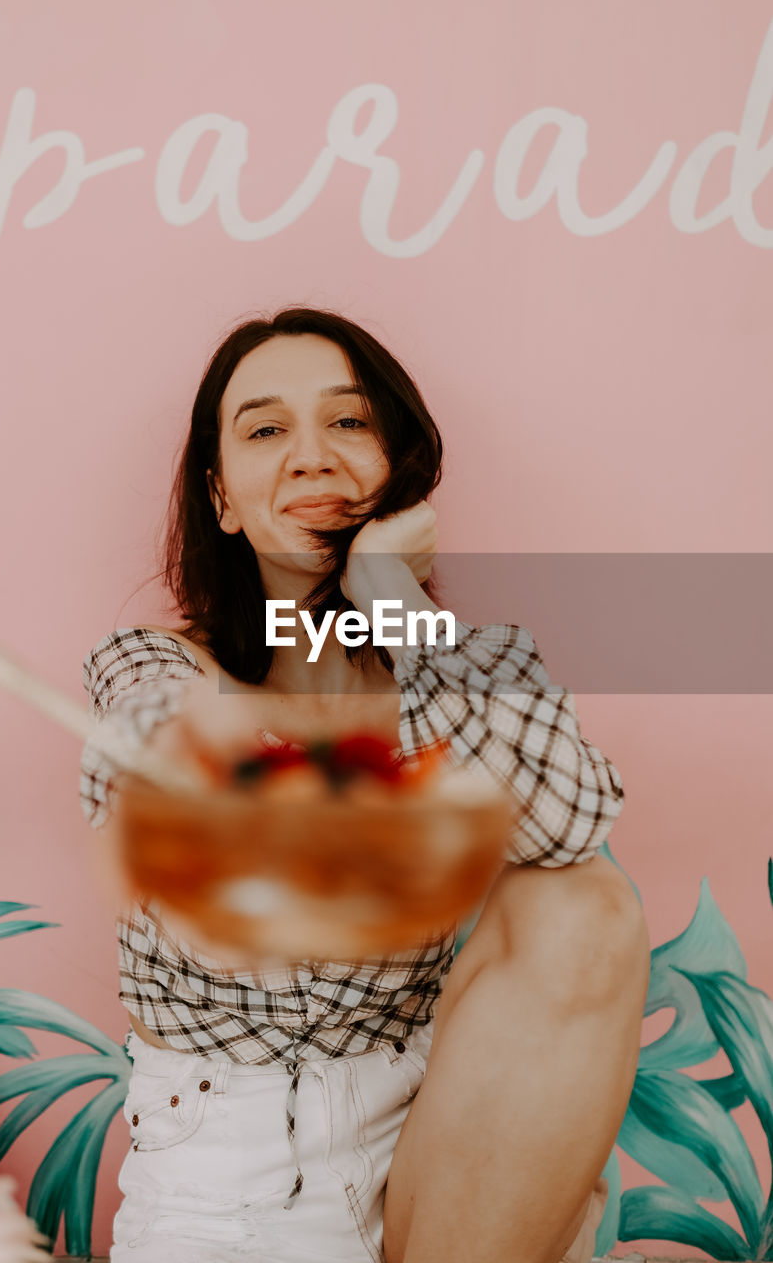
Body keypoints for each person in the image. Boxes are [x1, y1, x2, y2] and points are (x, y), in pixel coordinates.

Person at [79, 307, 650, 1263]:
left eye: (347, 423)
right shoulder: (151, 669)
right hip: (230, 1183)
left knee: (581, 901)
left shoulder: (455, 663)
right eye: (266, 431)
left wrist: (391, 598)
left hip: (439, 1159)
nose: (310, 457)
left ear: (398, 467)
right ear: (221, 498)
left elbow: (568, 825)